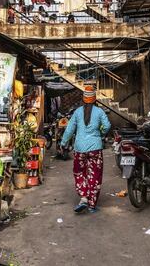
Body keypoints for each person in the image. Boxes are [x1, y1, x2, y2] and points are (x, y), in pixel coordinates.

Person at [61, 85, 111, 213]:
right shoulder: (100, 112)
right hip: (95, 148)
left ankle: (83, 197)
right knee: (95, 174)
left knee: (79, 172)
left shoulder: (77, 112)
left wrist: (63, 142)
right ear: (94, 99)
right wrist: (100, 133)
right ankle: (92, 205)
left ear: (83, 99)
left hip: (79, 149)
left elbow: (70, 129)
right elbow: (107, 126)